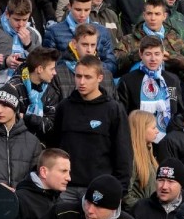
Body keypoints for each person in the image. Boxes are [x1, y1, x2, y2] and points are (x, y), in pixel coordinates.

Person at [51, 55, 131, 202]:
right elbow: (54, 146)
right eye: (78, 76)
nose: (81, 82)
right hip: (65, 189)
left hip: (100, 189)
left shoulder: (114, 109)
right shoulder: (64, 107)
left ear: (100, 78)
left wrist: (120, 190)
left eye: (88, 77)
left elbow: (123, 153)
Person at [0, 0, 44, 97]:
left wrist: (29, 45)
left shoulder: (33, 34)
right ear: (7, 14)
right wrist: (5, 62)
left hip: (24, 92)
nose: (21, 24)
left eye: (25, 19)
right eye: (17, 20)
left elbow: (42, 65)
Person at [119, 0, 184, 78]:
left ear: (164, 16)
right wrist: (138, 55)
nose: (153, 18)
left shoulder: (175, 39)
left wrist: (172, 58)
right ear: (144, 15)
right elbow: (116, 64)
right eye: (149, 13)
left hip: (171, 86)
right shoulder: (129, 40)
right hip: (139, 86)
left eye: (157, 14)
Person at [43, 0, 118, 74]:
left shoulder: (102, 32)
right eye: (78, 10)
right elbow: (47, 65)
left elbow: (112, 65)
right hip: (65, 83)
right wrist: (72, 66)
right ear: (69, 6)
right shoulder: (53, 32)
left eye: (87, 10)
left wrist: (93, 67)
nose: (82, 14)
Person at [116, 35, 182, 136]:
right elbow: (122, 115)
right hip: (137, 137)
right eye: (148, 54)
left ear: (163, 55)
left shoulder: (172, 80)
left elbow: (177, 111)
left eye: (157, 54)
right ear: (140, 54)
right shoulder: (127, 81)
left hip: (168, 139)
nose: (153, 59)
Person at [1, 46, 61, 142]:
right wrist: (38, 120)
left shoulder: (50, 92)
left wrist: (26, 117)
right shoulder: (13, 88)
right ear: (40, 69)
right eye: (52, 69)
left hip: (40, 145)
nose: (55, 73)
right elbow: (7, 120)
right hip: (13, 143)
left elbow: (51, 126)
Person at [46, 23, 117, 102]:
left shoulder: (106, 74)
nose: (89, 50)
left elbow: (115, 108)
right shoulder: (57, 74)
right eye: (85, 45)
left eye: (93, 45)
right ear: (74, 44)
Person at [124, 110, 159, 209]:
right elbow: (125, 195)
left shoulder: (148, 153)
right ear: (141, 129)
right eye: (153, 128)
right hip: (138, 215)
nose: (157, 131)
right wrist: (146, 208)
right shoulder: (131, 157)